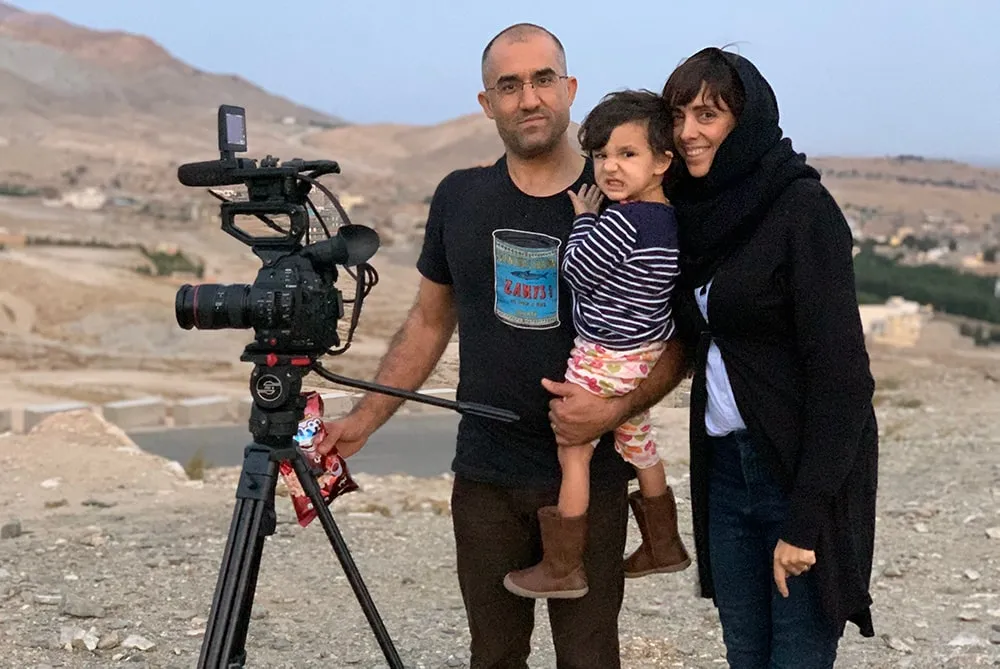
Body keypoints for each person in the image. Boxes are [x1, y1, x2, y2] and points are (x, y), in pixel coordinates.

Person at [316, 23, 687, 669]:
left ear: (569, 90)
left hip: (592, 476)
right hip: (485, 476)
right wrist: (365, 421)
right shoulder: (461, 197)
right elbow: (429, 322)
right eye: (509, 85)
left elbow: (678, 337)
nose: (529, 98)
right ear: (487, 104)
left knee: (589, 656)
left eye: (543, 79)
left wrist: (613, 411)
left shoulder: (633, 207)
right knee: (493, 654)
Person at [660, 46, 879, 668]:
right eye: (678, 116)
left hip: (797, 473)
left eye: (708, 115)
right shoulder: (692, 214)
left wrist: (805, 521)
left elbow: (843, 381)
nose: (688, 133)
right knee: (745, 653)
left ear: (747, 120)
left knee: (797, 656)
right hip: (726, 471)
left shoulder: (802, 211)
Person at [503, 90, 691, 601]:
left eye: (627, 155)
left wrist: (585, 221)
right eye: (602, 154)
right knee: (638, 444)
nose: (609, 166)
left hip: (604, 354)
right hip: (642, 354)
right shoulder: (670, 220)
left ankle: (563, 565)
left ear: (661, 162)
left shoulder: (622, 220)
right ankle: (663, 543)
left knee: (575, 450)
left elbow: (577, 273)